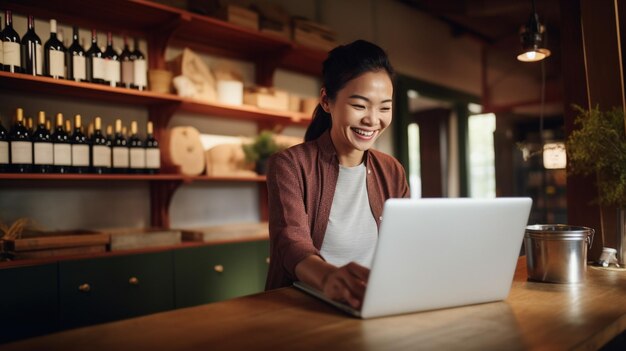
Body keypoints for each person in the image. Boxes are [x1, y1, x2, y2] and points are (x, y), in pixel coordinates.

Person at [265, 40, 410, 309]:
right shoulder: (289, 164)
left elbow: (404, 242)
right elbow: (291, 244)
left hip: (373, 304)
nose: (373, 120)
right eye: (360, 105)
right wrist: (330, 277)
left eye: (384, 107)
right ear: (326, 101)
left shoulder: (392, 170)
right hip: (305, 304)